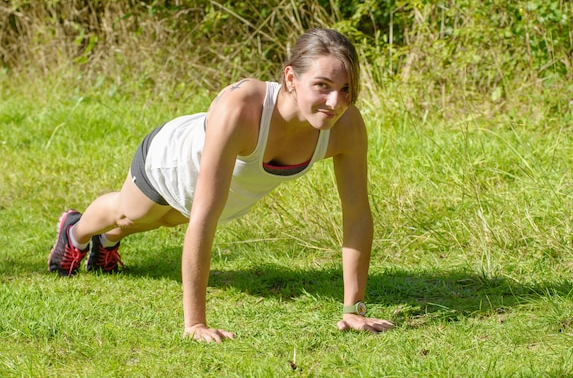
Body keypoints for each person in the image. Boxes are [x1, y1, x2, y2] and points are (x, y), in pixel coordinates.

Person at [48, 28, 395, 343]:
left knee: (167, 220)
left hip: (224, 193)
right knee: (132, 213)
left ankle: (107, 242)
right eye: (323, 85)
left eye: (345, 89)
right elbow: (204, 216)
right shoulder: (242, 106)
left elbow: (356, 215)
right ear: (291, 77)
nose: (335, 102)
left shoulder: (346, 126)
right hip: (173, 162)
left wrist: (354, 308)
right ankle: (75, 233)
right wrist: (195, 323)